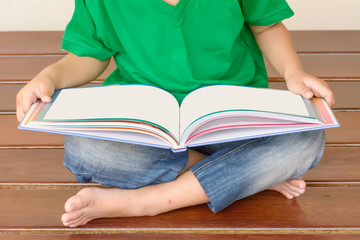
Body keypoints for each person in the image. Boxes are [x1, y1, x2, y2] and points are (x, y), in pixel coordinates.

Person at [16, 0, 335, 228]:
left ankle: (148, 201)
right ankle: (247, 176)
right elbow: (90, 54)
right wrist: (51, 77)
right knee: (86, 147)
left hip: (233, 119)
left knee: (306, 138)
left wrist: (294, 72)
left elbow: (266, 26)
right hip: (149, 128)